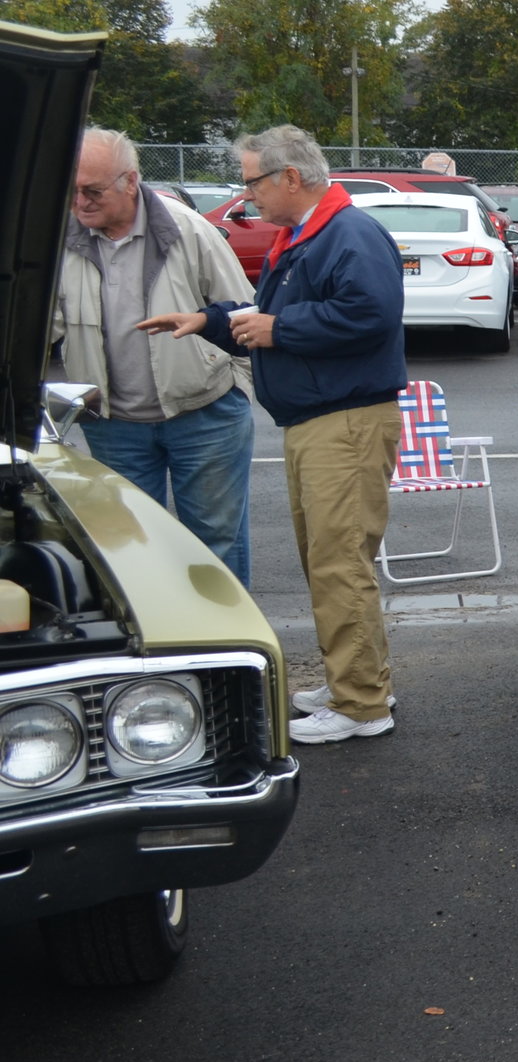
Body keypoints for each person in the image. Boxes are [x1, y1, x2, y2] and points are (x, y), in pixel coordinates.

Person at [139, 126, 406, 745]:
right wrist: (207, 320)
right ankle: (355, 681)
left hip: (344, 424)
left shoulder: (347, 232)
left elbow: (371, 314)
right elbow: (271, 318)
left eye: (253, 180)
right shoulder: (310, 232)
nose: (247, 193)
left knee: (340, 564)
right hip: (320, 423)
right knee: (331, 561)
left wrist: (279, 329)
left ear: (290, 177)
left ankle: (363, 704)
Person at [53, 129, 259, 581]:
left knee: (214, 545)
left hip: (206, 416)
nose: (79, 202)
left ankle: (222, 646)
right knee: (129, 549)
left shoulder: (190, 231)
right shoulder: (57, 241)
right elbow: (39, 327)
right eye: (71, 190)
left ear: (130, 181)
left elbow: (246, 315)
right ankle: (156, 650)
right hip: (113, 426)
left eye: (92, 190)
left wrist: (241, 392)